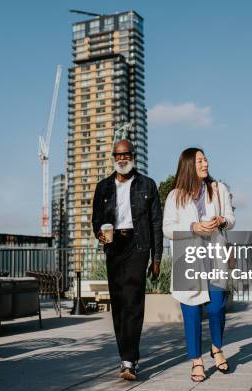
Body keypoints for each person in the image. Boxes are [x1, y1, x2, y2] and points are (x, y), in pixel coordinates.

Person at [92, 139, 163, 381]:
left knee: (133, 300)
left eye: (126, 154)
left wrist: (157, 258)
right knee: (120, 303)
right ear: (113, 157)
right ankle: (126, 355)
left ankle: (129, 361)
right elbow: (96, 220)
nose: (122, 158)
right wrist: (100, 234)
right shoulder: (103, 187)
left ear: (133, 156)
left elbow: (156, 224)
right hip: (114, 246)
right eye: (118, 155)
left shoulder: (147, 185)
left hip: (138, 245)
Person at [162, 148, 235, 382]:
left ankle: (217, 347)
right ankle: (196, 360)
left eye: (205, 159)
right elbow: (167, 229)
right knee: (192, 313)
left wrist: (222, 220)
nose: (205, 164)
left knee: (216, 308)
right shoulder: (175, 196)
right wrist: (192, 227)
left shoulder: (218, 189)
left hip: (214, 259)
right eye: (200, 161)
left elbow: (231, 220)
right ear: (188, 166)